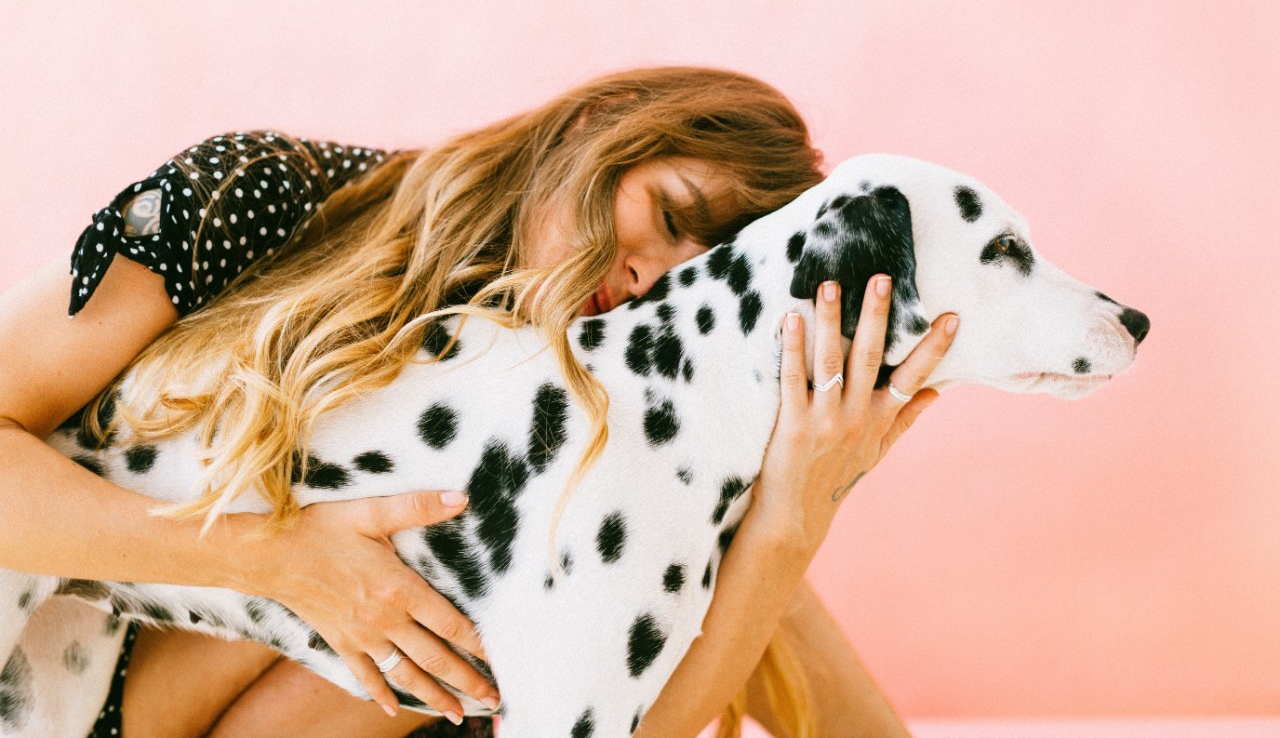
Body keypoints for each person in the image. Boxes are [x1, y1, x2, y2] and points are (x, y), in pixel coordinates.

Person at [0, 66, 957, 737]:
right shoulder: (261, 197)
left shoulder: (598, 422)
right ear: (603, 118)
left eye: (686, 280)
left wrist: (792, 512)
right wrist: (280, 561)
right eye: (666, 215)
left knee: (657, 508)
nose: (643, 282)